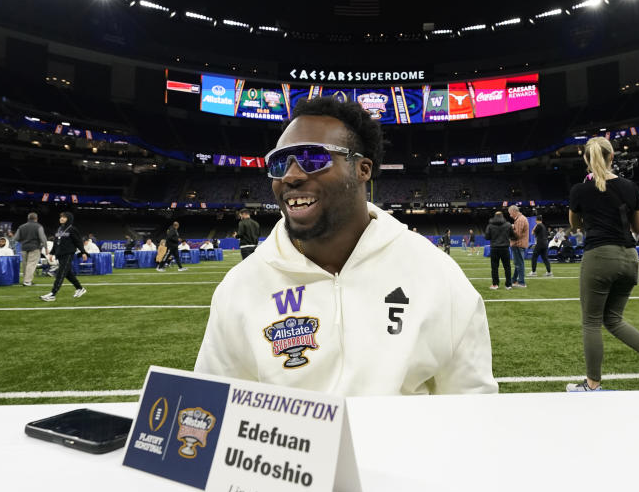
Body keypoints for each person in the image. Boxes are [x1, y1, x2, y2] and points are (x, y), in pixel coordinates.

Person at [195, 96, 497, 395]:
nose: (291, 175)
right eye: (279, 163)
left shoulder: (436, 273)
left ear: (362, 169)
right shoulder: (240, 286)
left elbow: (472, 402)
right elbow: (213, 402)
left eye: (313, 159)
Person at [567, 137, 639, 391]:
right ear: (612, 157)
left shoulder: (580, 190)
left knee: (591, 322)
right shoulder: (630, 187)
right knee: (613, 320)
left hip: (599, 256)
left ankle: (592, 385)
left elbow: (575, 225)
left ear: (586, 160)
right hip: (630, 258)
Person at [39, 212, 87, 301]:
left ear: (69, 218)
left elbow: (78, 241)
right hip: (60, 254)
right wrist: (52, 253)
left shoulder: (72, 229)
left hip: (68, 254)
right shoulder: (59, 229)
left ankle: (53, 294)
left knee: (60, 274)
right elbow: (56, 242)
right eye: (61, 217)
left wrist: (83, 252)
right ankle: (80, 288)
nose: (61, 218)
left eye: (64, 217)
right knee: (68, 274)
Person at [14, 212, 48, 287]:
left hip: (23, 247)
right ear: (36, 218)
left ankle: (26, 280)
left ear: (28, 218)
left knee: (25, 264)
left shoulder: (21, 226)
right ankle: (27, 281)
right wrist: (46, 247)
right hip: (35, 247)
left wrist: (23, 241)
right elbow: (42, 238)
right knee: (31, 264)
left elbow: (16, 238)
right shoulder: (38, 226)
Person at [484, 211, 512, 290]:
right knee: (507, 267)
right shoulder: (508, 225)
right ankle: (508, 285)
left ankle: (495, 284)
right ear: (502, 216)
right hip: (505, 248)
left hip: (494, 248)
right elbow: (512, 235)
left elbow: (487, 237)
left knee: (494, 267)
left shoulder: (490, 225)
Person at [507, 205, 528, 287]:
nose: (510, 215)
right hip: (519, 244)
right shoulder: (521, 219)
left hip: (518, 244)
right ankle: (514, 280)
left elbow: (516, 235)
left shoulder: (520, 220)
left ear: (514, 211)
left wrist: (509, 232)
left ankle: (521, 282)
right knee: (518, 263)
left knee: (519, 264)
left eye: (510, 213)